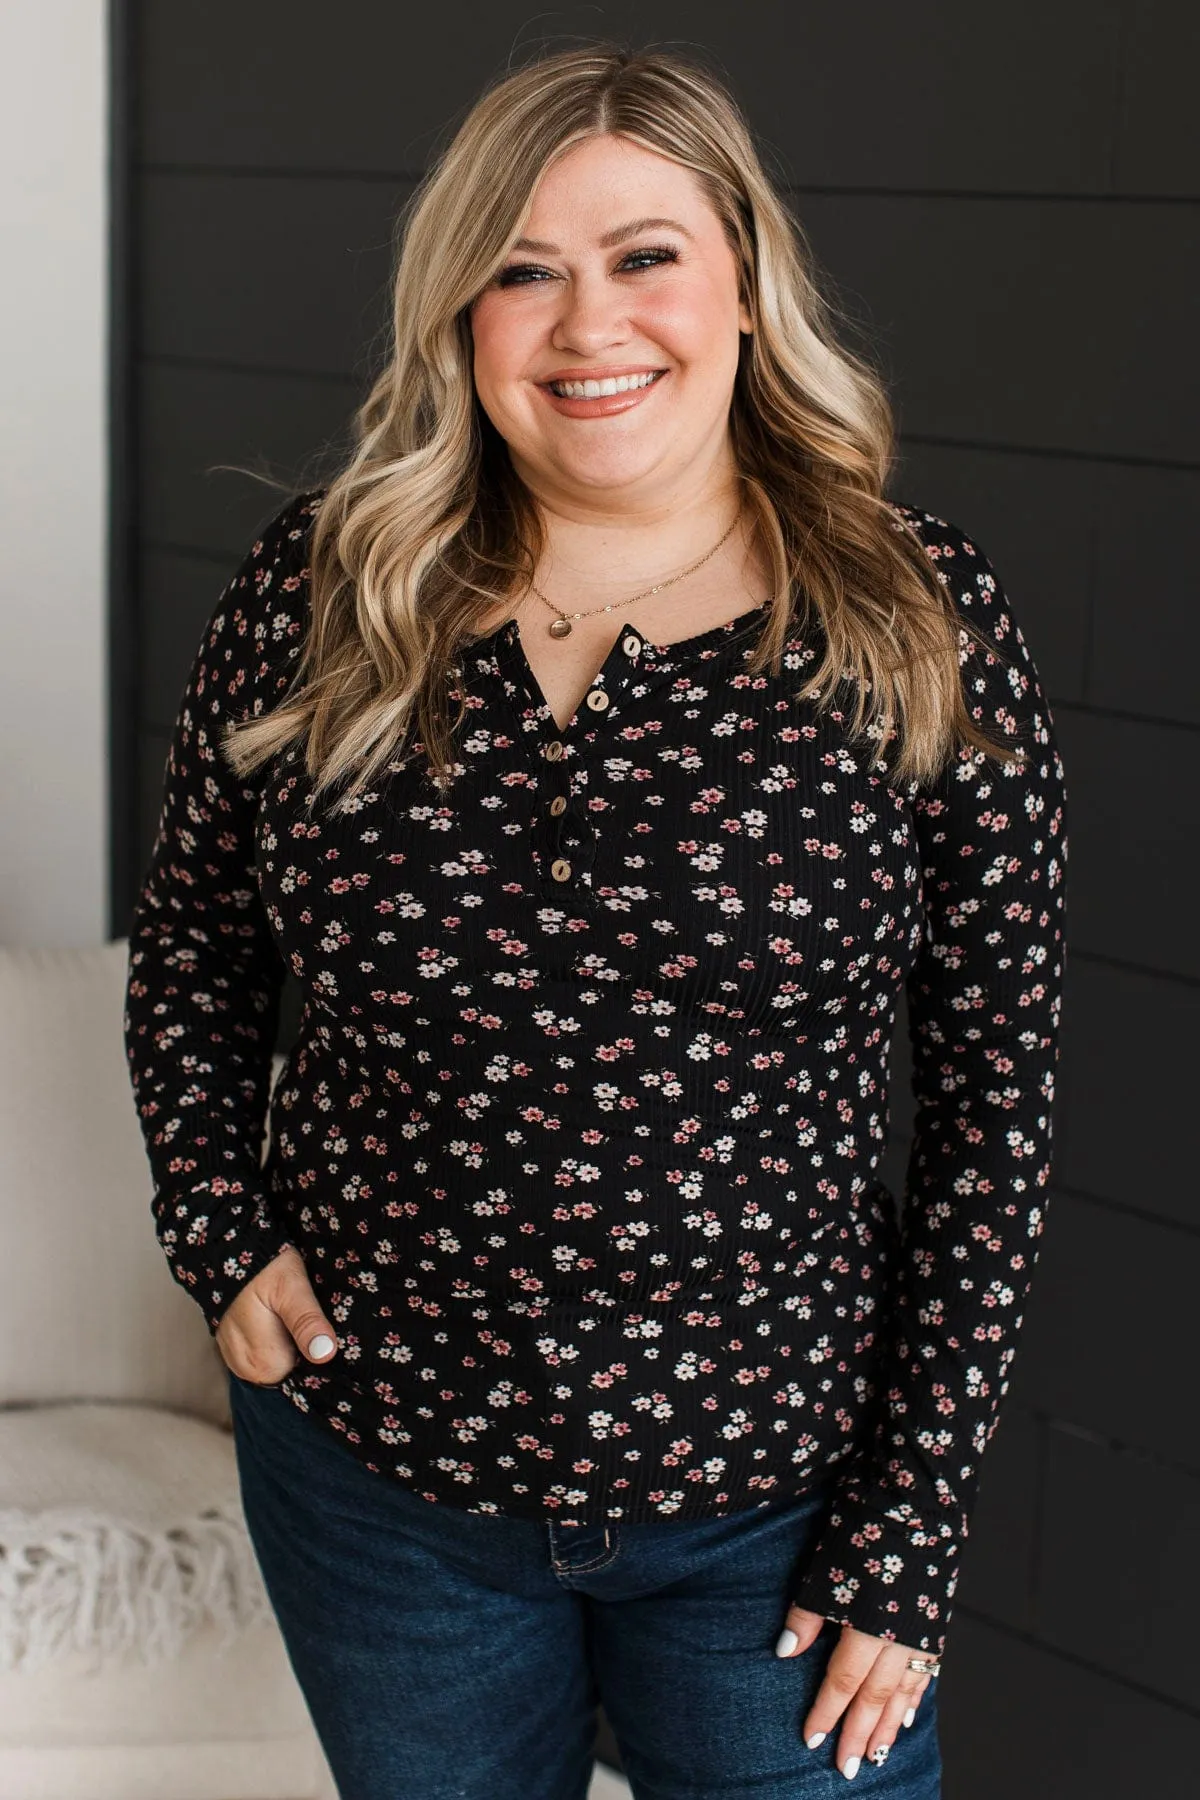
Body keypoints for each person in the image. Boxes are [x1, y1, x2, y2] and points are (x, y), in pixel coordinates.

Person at [123, 40, 1067, 1800]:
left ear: (743, 282)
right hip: (380, 1488)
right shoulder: (330, 588)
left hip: (776, 1527)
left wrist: (910, 1522)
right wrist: (218, 1226)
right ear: (460, 309)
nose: (587, 325)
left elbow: (997, 1104)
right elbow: (192, 951)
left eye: (643, 255)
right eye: (523, 269)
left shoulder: (909, 621)